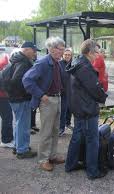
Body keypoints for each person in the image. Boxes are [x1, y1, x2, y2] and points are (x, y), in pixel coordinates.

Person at [65, 39, 108, 180]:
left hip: (79, 107)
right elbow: (95, 89)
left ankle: (70, 165)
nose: (98, 55)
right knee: (92, 140)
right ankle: (92, 171)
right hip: (87, 109)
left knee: (77, 137)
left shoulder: (78, 62)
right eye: (97, 52)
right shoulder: (85, 67)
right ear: (89, 52)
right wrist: (103, 96)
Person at [23, 37, 66, 171]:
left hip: (57, 99)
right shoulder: (43, 63)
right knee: (46, 132)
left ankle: (52, 155)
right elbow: (27, 80)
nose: (63, 52)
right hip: (48, 101)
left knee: (55, 130)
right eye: (60, 49)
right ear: (52, 49)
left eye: (63, 49)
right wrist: (41, 95)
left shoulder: (57, 62)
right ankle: (43, 160)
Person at [9, 42, 40, 159]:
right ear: (26, 50)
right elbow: (18, 80)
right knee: (23, 125)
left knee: (18, 123)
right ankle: (22, 150)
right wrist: (28, 92)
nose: (35, 53)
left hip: (14, 97)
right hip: (21, 98)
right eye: (34, 50)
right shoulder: (23, 62)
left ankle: (17, 146)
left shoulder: (15, 59)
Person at [0, 54, 14, 148]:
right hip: (3, 97)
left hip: (3, 96)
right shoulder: (5, 63)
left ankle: (7, 139)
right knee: (7, 118)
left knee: (7, 118)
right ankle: (6, 140)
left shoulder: (4, 61)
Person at [59, 48, 73, 136]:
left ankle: (68, 123)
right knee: (63, 110)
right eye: (66, 54)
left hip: (72, 91)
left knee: (70, 109)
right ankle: (61, 128)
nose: (67, 56)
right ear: (63, 55)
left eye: (69, 55)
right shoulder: (59, 64)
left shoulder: (73, 64)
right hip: (63, 92)